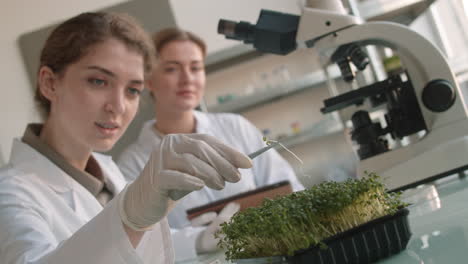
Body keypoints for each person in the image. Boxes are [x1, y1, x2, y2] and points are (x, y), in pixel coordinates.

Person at [0, 12, 252, 264]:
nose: (119, 106)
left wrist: (198, 240)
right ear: (50, 83)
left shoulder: (107, 171)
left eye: (132, 90)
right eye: (98, 81)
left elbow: (135, 248)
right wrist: (129, 217)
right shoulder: (10, 194)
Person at [117, 27, 304, 259]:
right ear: (149, 80)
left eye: (195, 68)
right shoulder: (132, 163)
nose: (187, 79)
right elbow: (139, 242)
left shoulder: (234, 126)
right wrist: (197, 239)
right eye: (172, 69)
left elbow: (288, 187)